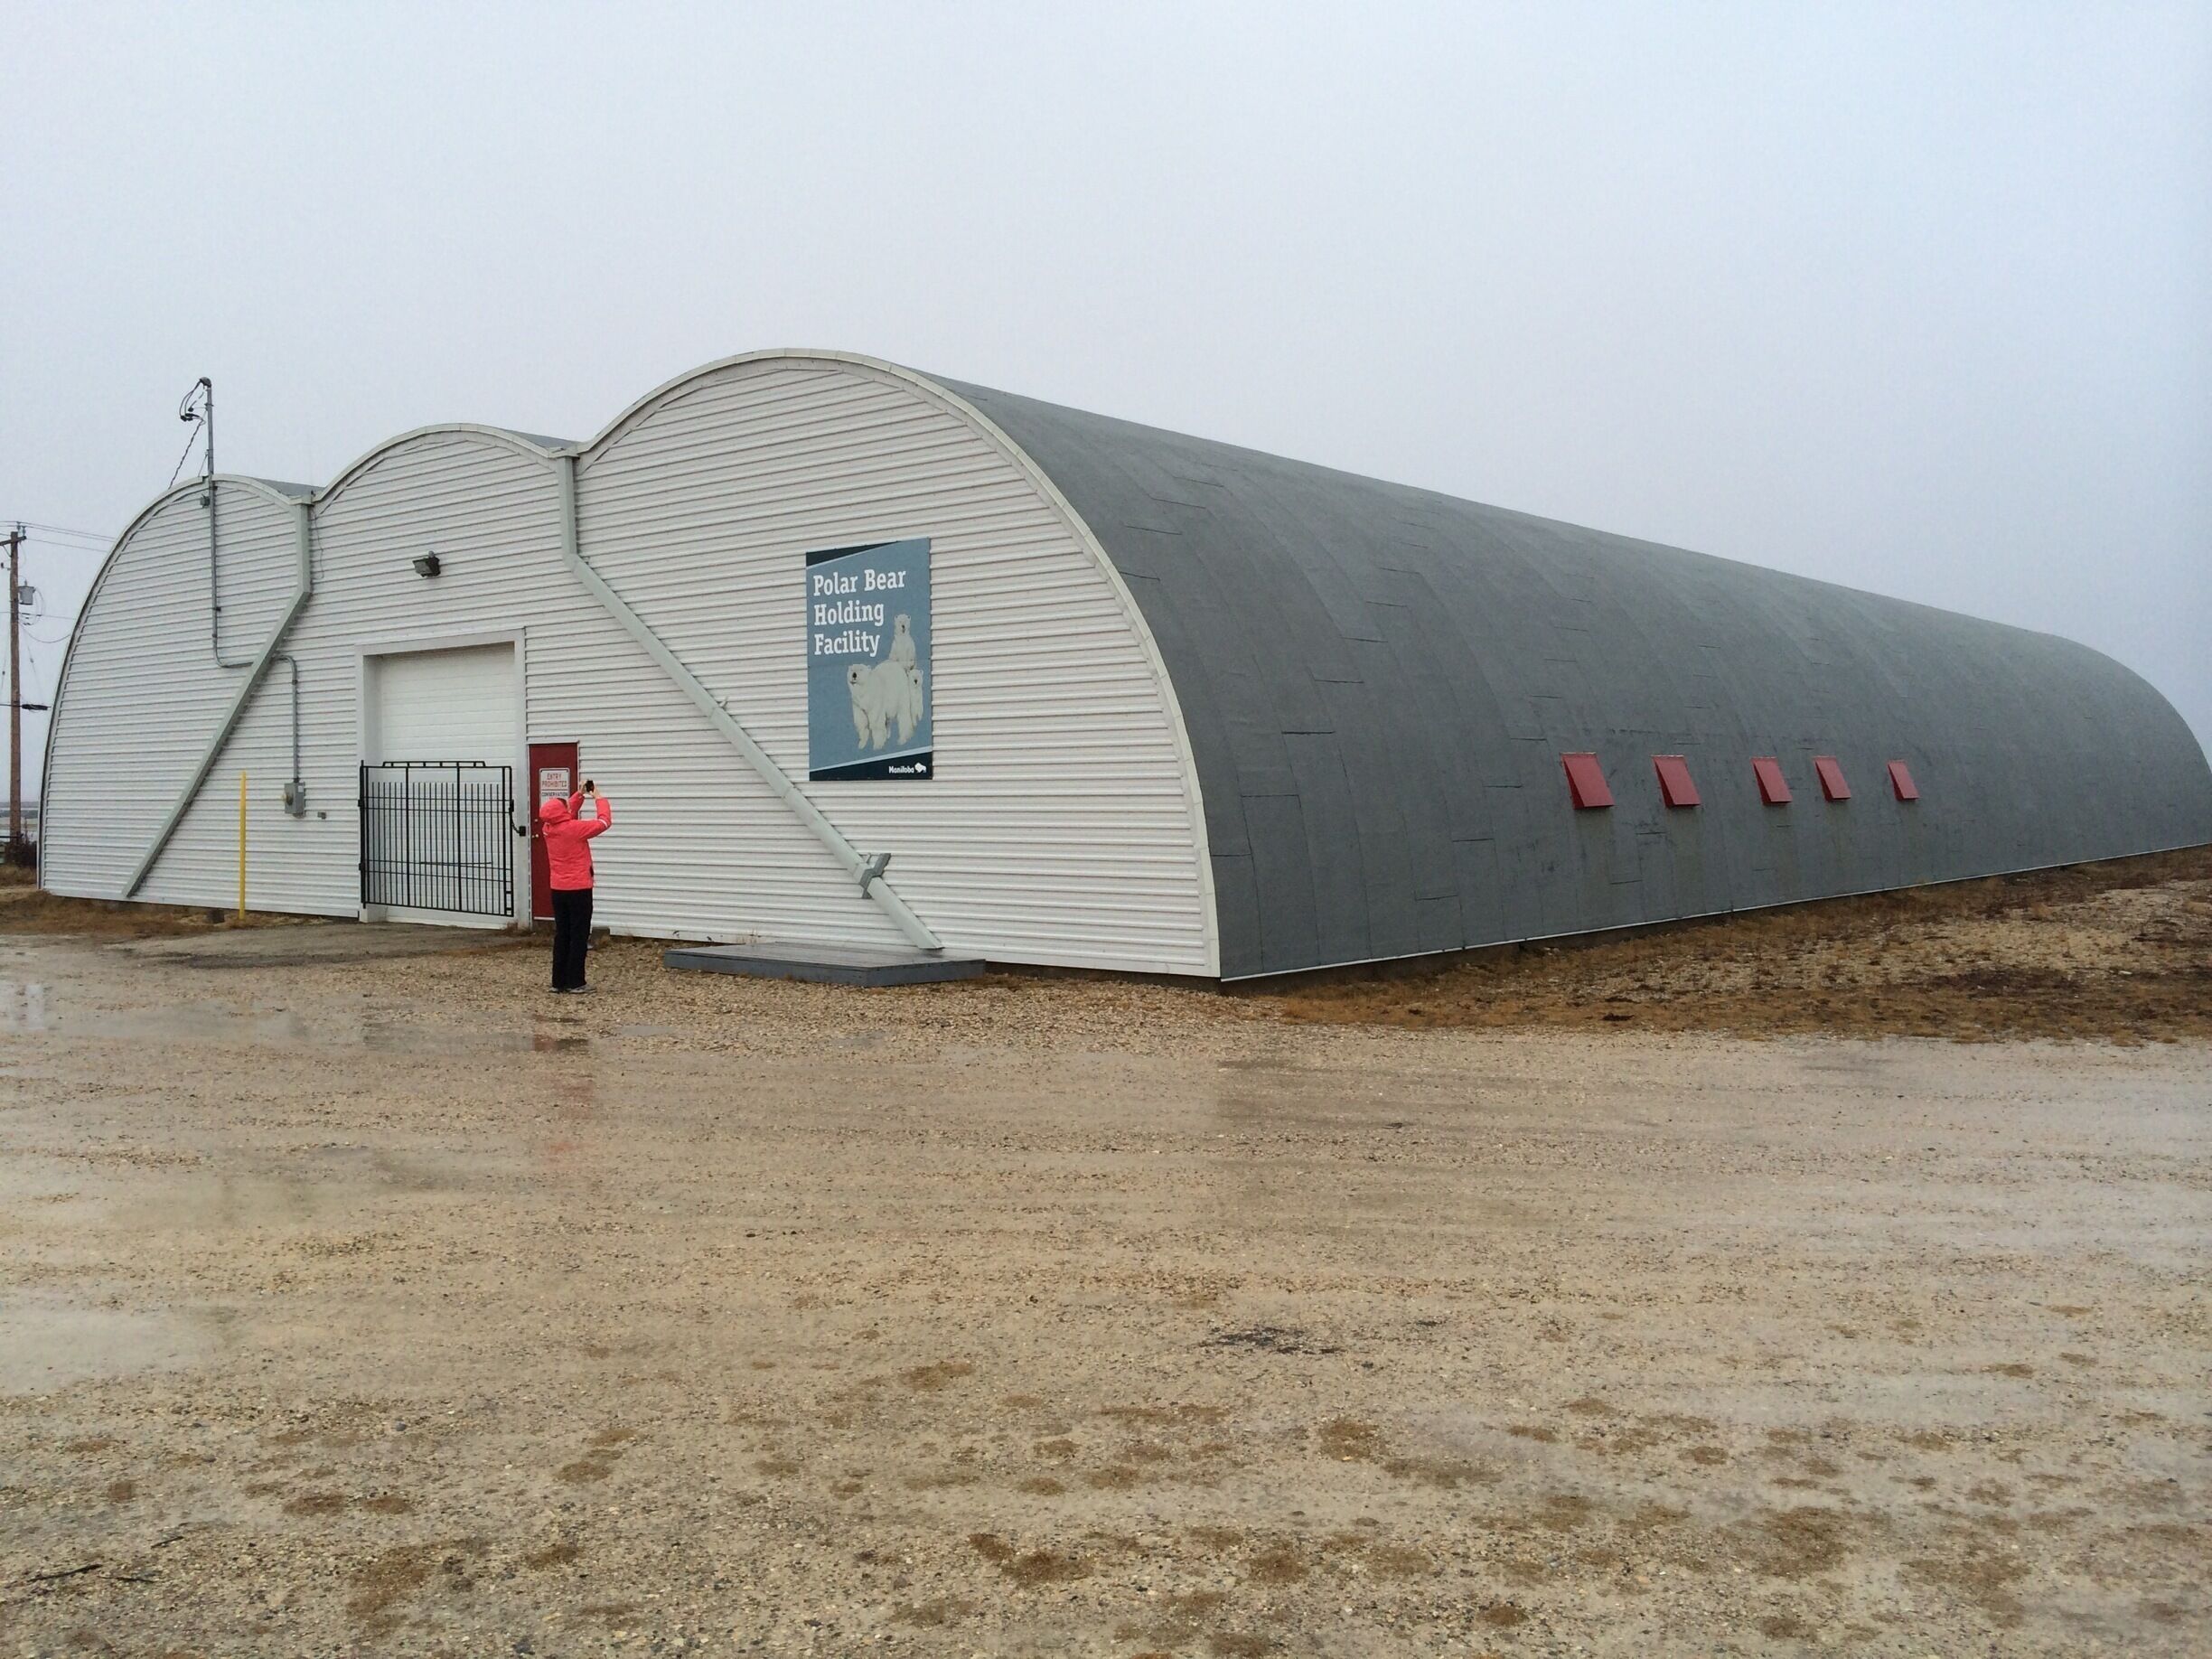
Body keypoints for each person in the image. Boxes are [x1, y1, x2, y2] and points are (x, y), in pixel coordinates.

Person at [541, 781, 613, 993]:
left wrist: (579, 795)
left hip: (558, 889)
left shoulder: (548, 828)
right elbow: (604, 822)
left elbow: (565, 814)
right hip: (579, 889)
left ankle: (559, 981)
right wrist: (598, 797)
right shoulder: (575, 829)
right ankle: (576, 981)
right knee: (579, 935)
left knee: (562, 934)